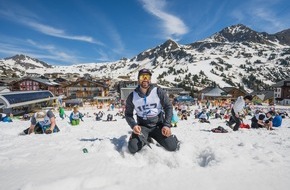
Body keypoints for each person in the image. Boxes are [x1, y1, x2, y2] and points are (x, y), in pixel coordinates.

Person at [125, 68, 179, 153]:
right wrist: (134, 125)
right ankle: (146, 137)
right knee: (132, 148)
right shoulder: (132, 96)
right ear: (138, 79)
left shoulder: (158, 91)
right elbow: (128, 114)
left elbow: (168, 107)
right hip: (142, 127)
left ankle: (173, 138)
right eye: (143, 77)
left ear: (150, 79)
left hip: (158, 126)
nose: (145, 79)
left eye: (147, 77)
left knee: (172, 147)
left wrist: (167, 125)